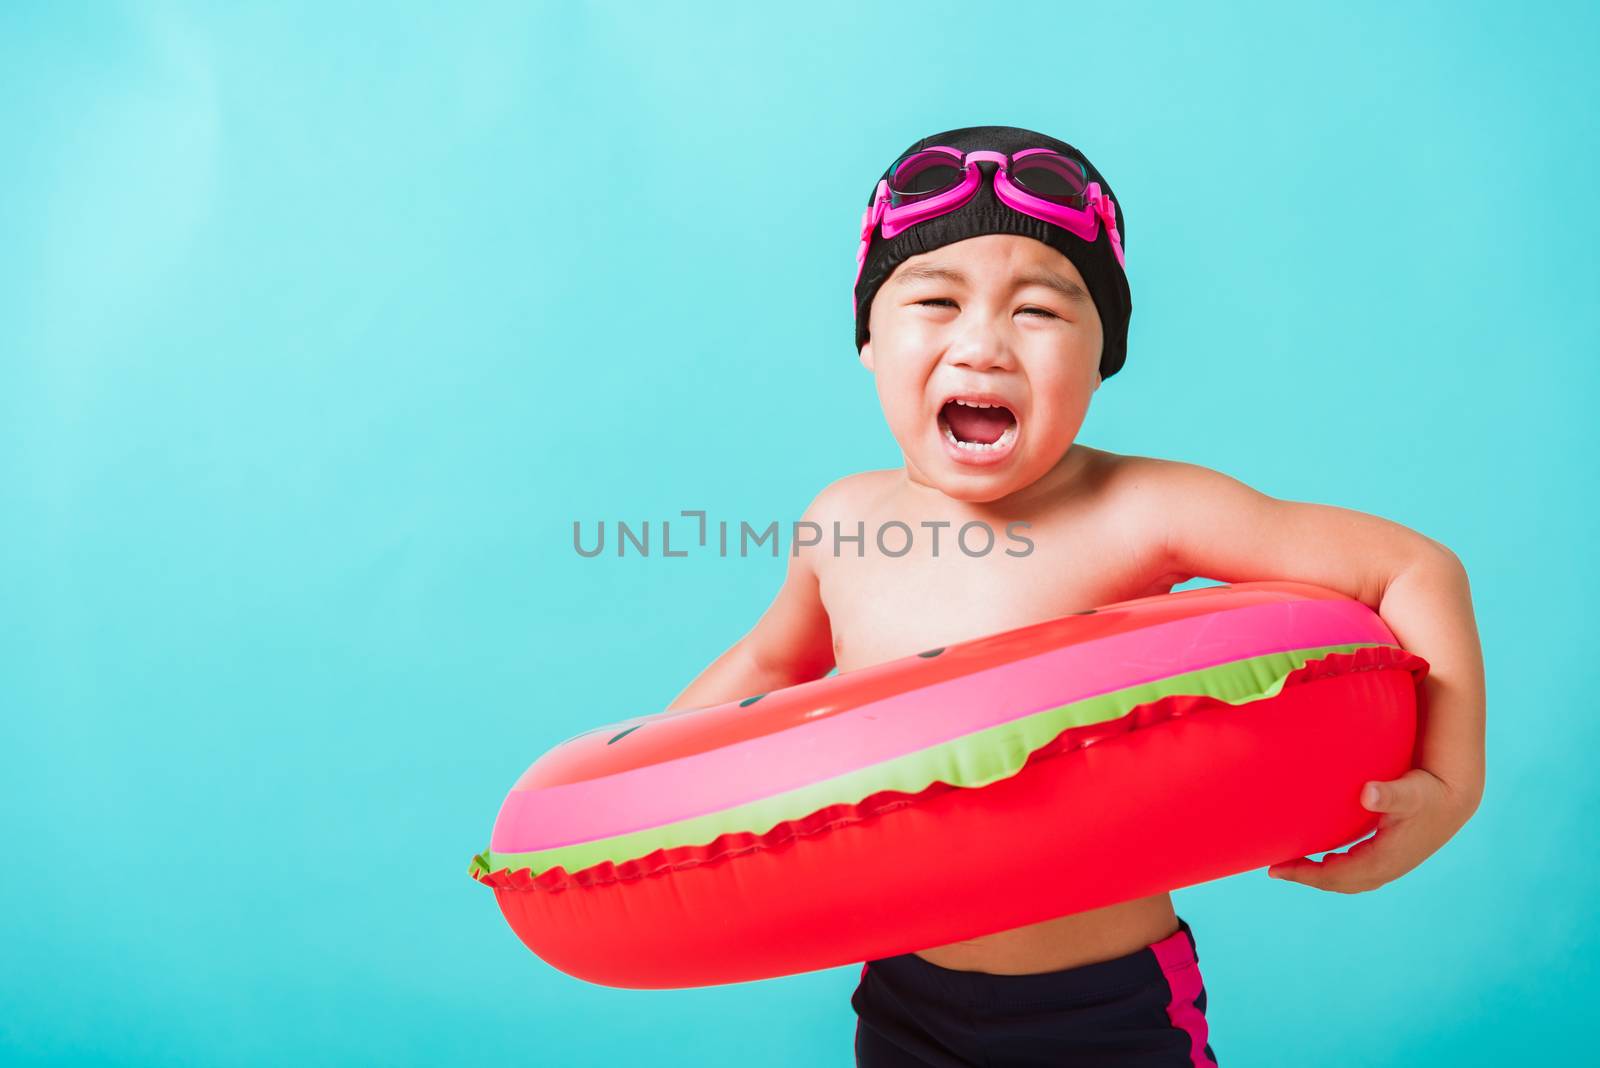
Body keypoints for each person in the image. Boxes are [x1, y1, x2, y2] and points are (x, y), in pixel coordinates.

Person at [665, 124, 1486, 1067]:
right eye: (934, 299)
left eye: (1041, 313)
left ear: (1105, 353)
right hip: (900, 988)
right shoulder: (844, 521)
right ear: (867, 341)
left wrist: (1450, 784)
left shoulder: (1143, 510)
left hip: (1104, 1004)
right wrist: (627, 803)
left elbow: (1415, 569)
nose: (982, 345)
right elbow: (772, 664)